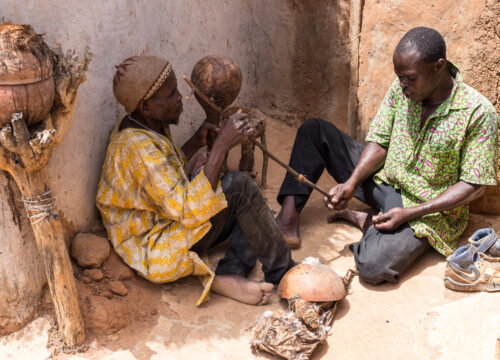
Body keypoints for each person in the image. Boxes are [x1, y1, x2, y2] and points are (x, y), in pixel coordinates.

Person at [276, 27, 498, 284]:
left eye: (410, 78)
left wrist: (409, 213)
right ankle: (288, 217)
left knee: (373, 267)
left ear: (439, 67)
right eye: (399, 77)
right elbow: (380, 141)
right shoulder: (403, 87)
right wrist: (352, 182)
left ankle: (368, 221)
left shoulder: (478, 112)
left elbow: (473, 186)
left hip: (426, 209)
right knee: (315, 131)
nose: (403, 85)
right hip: (384, 178)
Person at [97, 56, 294, 306]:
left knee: (248, 208)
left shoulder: (145, 124)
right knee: (240, 187)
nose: (179, 97)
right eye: (170, 95)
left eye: (176, 90)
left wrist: (194, 143)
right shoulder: (136, 146)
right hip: (153, 249)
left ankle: (230, 273)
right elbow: (188, 211)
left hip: (166, 222)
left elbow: (163, 174)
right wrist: (221, 146)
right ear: (145, 106)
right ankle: (286, 274)